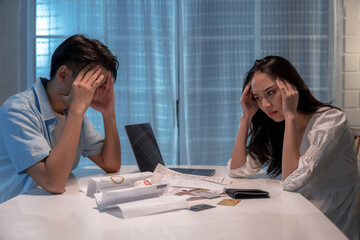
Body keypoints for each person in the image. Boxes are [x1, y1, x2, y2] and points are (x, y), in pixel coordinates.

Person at [229, 56, 359, 239]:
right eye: (258, 98)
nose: (265, 105)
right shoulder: (278, 121)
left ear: (291, 88)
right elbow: (238, 170)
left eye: (271, 92)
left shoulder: (330, 121)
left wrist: (291, 116)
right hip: (295, 213)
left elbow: (291, 181)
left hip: (330, 224)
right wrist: (246, 117)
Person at [0, 34, 121, 204]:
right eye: (91, 83)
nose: (95, 92)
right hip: (14, 213)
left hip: (49, 209)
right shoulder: (17, 111)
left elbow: (111, 164)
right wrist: (77, 112)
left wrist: (109, 114)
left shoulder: (72, 112)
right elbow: (54, 183)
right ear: (63, 74)